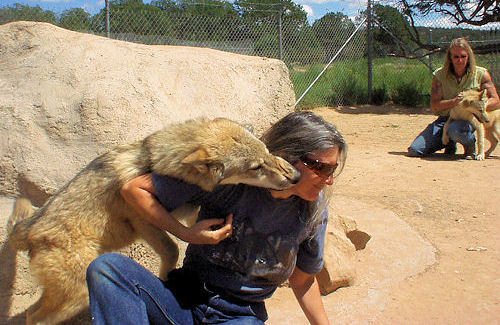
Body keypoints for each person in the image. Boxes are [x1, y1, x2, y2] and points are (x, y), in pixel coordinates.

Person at [86, 111, 347, 325]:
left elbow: (302, 280)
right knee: (107, 269)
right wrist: (185, 233)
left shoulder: (313, 211)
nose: (330, 179)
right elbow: (135, 189)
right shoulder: (232, 176)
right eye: (322, 167)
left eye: (333, 169)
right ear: (290, 157)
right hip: (184, 299)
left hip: (239, 316)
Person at [408, 37, 499, 158]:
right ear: (450, 58)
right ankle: (449, 143)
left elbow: (496, 101)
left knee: (456, 129)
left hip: (469, 119)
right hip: (446, 118)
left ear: (469, 56)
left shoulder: (481, 74)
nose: (460, 60)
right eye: (456, 57)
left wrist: (477, 106)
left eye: (463, 56)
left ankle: (470, 145)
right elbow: (435, 106)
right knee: (415, 150)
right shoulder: (440, 75)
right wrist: (454, 102)